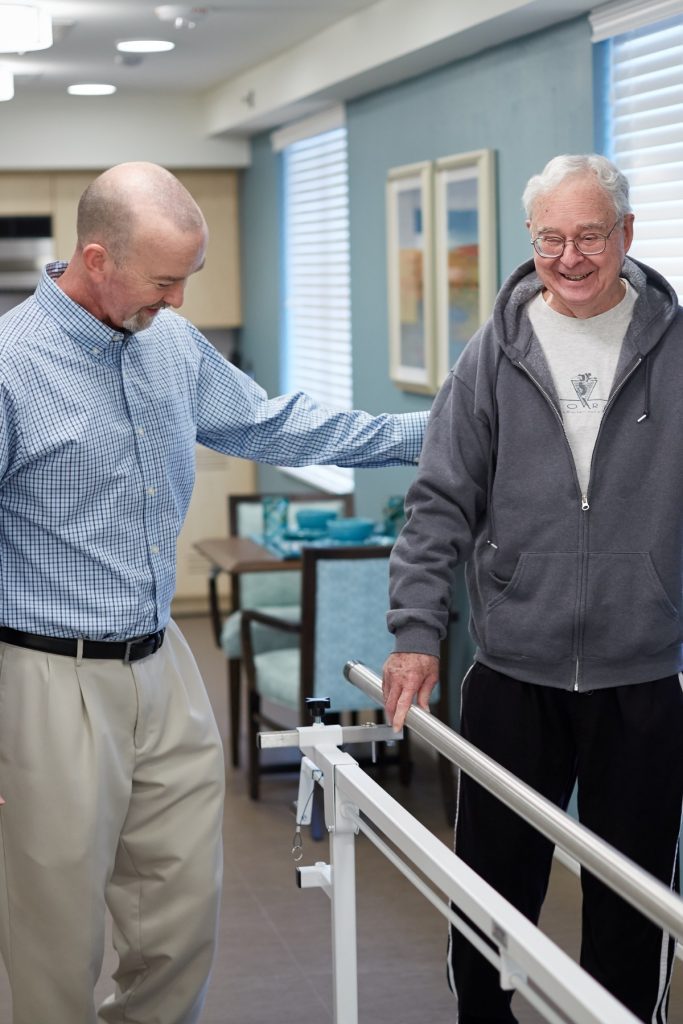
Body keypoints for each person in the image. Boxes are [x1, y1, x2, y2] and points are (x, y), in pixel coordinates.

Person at [0, 161, 428, 1024]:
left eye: (187, 279)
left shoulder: (168, 343)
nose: (180, 302)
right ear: (95, 258)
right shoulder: (12, 368)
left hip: (163, 664)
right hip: (45, 678)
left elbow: (277, 423)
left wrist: (440, 429)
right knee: (55, 937)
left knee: (183, 911)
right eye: (164, 282)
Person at [382, 154, 683, 1024]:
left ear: (626, 234)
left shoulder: (674, 347)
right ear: (531, 240)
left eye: (589, 235)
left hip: (639, 674)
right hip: (515, 668)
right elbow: (438, 500)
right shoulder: (491, 355)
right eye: (551, 237)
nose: (570, 256)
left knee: (632, 898)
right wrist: (413, 631)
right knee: (489, 883)